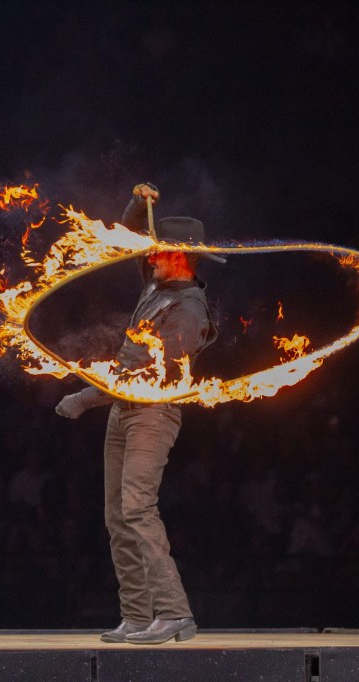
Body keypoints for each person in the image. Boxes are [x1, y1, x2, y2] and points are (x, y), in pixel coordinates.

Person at [55, 182, 222, 644]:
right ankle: (136, 615)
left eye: (159, 253)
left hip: (152, 412)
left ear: (180, 257)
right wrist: (136, 204)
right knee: (116, 515)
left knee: (137, 508)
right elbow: (127, 238)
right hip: (123, 412)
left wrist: (83, 399)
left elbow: (147, 375)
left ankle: (174, 614)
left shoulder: (189, 311)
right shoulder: (156, 284)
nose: (150, 257)